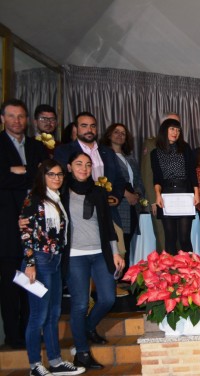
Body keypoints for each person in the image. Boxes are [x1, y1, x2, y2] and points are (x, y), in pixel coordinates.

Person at [21, 159, 86, 376]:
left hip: (55, 260)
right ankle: (34, 365)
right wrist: (30, 263)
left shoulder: (56, 198)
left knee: (53, 314)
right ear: (42, 176)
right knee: (38, 316)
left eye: (59, 174)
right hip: (39, 261)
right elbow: (26, 232)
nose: (56, 178)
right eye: (51, 175)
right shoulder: (35, 198)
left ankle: (56, 361)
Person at [63, 152, 124, 370]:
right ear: (69, 167)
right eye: (78, 164)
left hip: (101, 253)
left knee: (108, 298)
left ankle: (88, 327)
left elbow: (107, 225)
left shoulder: (98, 192)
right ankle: (82, 353)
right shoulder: (61, 193)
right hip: (74, 256)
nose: (84, 168)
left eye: (88, 165)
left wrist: (115, 252)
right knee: (79, 305)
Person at [0, 99, 48, 349]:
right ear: (3, 119)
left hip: (35, 226)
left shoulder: (36, 146)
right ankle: (13, 336)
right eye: (11, 116)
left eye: (21, 116)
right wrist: (26, 174)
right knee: (9, 286)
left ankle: (30, 333)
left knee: (33, 283)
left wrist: (20, 171)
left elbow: (43, 178)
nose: (17, 121)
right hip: (7, 228)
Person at [54, 111, 126, 228]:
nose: (89, 129)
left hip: (108, 212)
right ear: (76, 128)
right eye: (84, 126)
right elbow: (61, 180)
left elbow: (119, 179)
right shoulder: (64, 151)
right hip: (77, 215)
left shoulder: (108, 152)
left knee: (116, 245)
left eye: (93, 126)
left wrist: (116, 197)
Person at [151, 118, 199, 254]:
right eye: (172, 129)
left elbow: (192, 172)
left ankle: (190, 272)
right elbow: (157, 177)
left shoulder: (185, 148)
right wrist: (157, 195)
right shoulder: (155, 153)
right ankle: (171, 273)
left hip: (185, 192)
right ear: (164, 130)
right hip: (166, 194)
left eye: (178, 130)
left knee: (184, 238)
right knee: (170, 238)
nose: (175, 132)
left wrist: (196, 193)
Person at [100, 123, 144, 266]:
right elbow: (107, 180)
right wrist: (126, 194)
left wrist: (136, 194)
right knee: (119, 245)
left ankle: (124, 281)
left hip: (132, 207)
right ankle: (116, 280)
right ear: (109, 135)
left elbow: (138, 180)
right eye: (116, 132)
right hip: (117, 205)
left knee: (128, 241)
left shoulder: (130, 158)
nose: (120, 135)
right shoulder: (103, 156)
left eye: (123, 133)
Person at [141, 112, 180, 252]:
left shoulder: (181, 145)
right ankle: (165, 272)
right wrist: (153, 200)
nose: (174, 129)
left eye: (177, 125)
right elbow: (147, 174)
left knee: (179, 239)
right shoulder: (152, 143)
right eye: (171, 124)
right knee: (163, 237)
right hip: (160, 198)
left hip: (178, 198)